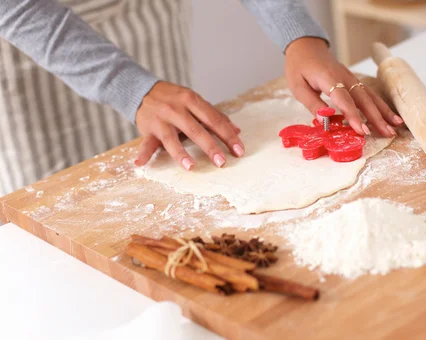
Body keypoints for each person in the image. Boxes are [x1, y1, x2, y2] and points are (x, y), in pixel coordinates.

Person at [0, 0, 402, 196]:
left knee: (179, 159)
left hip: (147, 15)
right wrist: (129, 87)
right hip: (37, 50)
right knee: (65, 201)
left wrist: (299, 34)